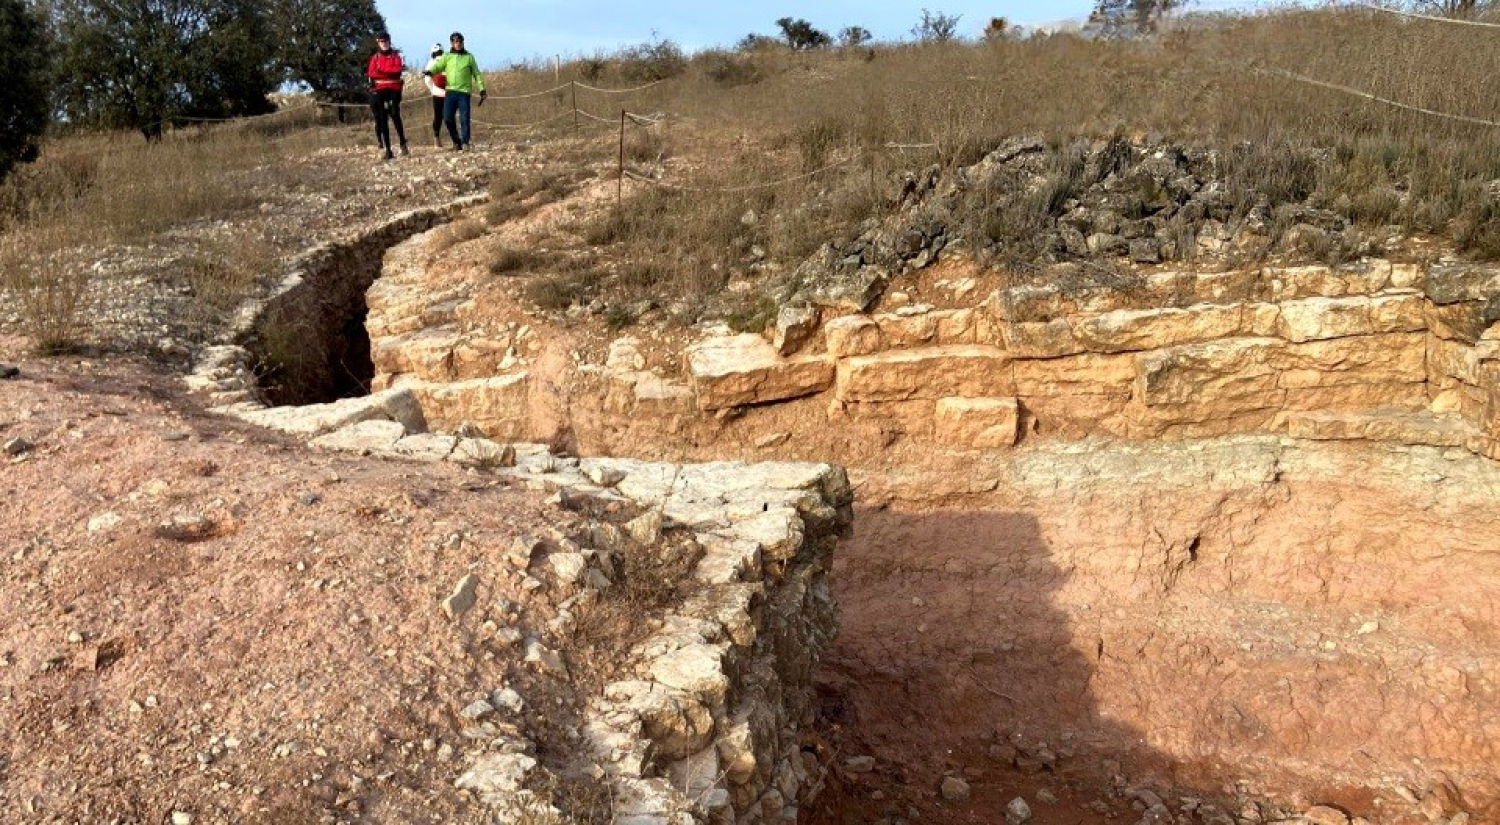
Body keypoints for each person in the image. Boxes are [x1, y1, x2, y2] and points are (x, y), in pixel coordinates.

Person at [424, 31, 486, 151]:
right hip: (450, 91)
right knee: (447, 118)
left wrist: (482, 89)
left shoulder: (469, 57)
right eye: (455, 41)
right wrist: (430, 71)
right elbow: (438, 66)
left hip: (464, 92)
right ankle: (456, 142)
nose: (457, 43)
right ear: (451, 43)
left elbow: (477, 74)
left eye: (459, 41)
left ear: (463, 42)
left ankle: (465, 142)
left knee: (464, 118)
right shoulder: (447, 56)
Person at [366, 32, 409, 160]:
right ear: (378, 43)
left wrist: (382, 71)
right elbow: (372, 73)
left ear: (389, 41)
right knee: (382, 117)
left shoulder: (396, 56)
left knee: (395, 114)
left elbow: (398, 70)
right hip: (380, 89)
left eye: (385, 41)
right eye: (381, 41)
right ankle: (388, 150)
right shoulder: (375, 57)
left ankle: (402, 142)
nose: (384, 43)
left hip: (394, 88)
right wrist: (388, 72)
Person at [422, 42, 447, 147]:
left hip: (437, 92)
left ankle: (436, 137)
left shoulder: (431, 63)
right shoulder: (447, 61)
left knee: (438, 116)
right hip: (449, 92)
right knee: (449, 116)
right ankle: (455, 139)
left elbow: (427, 79)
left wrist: (432, 89)